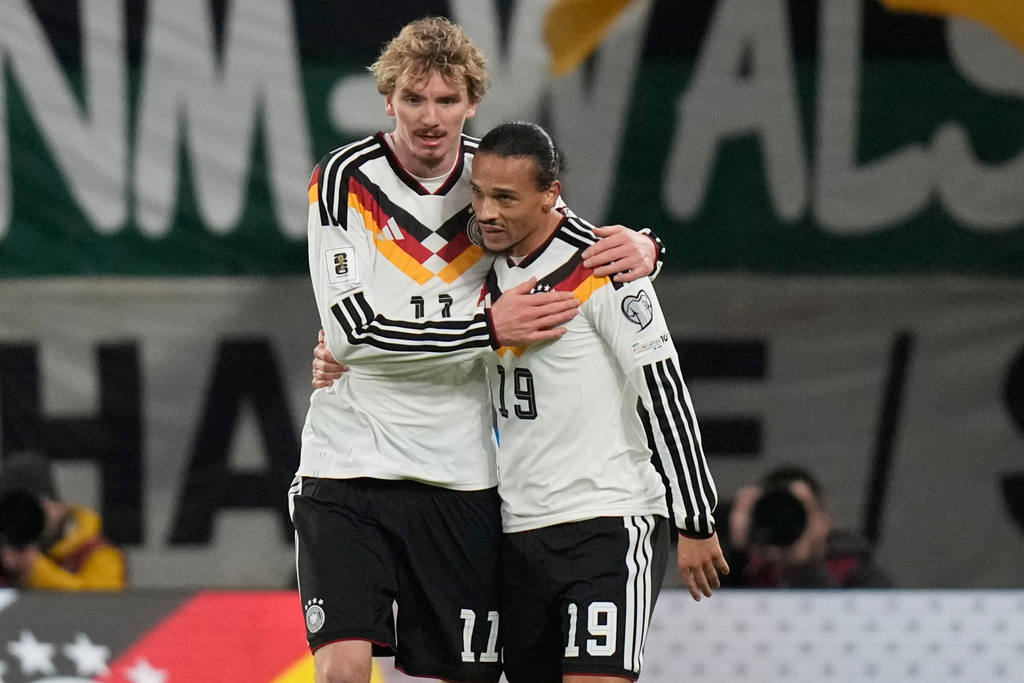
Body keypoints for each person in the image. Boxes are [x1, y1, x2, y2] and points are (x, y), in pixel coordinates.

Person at [290, 17, 660, 683]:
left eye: (446, 100)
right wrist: (487, 331)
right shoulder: (347, 177)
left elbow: (582, 252)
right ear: (387, 100)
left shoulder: (492, 178)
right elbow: (351, 333)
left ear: (472, 102)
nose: (430, 118)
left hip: (460, 473)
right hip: (346, 460)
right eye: (413, 99)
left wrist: (648, 247)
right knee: (341, 668)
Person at [466, 121, 727, 682]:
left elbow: (664, 390)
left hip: (607, 521)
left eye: (505, 198)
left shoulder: (605, 267)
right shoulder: (476, 270)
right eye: (478, 193)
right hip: (517, 529)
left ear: (550, 195)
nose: (486, 211)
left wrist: (696, 519)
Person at [723, 465, 891, 588]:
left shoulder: (860, 578)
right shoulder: (746, 573)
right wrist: (737, 554)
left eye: (799, 513)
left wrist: (803, 564)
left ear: (824, 521)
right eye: (773, 514)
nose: (785, 523)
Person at [0, 452, 126, 590]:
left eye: (31, 510)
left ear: (57, 505)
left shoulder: (98, 554)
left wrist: (35, 570)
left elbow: (101, 606)